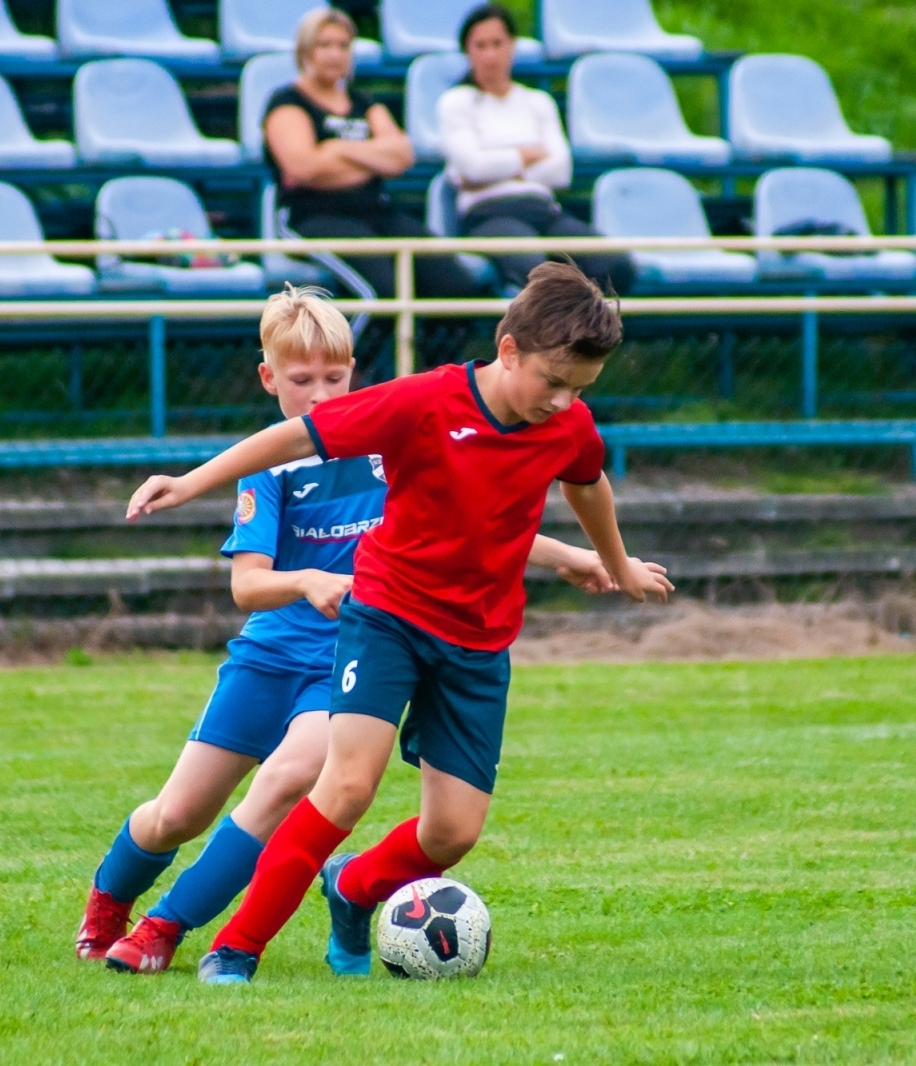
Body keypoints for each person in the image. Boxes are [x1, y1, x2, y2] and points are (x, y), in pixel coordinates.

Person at [76, 284, 662, 975]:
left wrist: (604, 562)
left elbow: (551, 494)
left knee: (448, 831)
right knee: (246, 803)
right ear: (508, 350)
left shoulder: (558, 424)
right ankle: (203, 937)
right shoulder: (414, 407)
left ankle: (349, 888)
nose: (564, 401)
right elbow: (289, 456)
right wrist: (191, 482)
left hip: (462, 641)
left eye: (579, 389)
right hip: (349, 631)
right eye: (554, 382)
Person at [263, 7, 483, 301]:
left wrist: (336, 149)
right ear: (305, 51)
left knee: (455, 286)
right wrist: (372, 161)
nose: (335, 54)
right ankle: (359, 335)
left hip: (376, 211)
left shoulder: (363, 102)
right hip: (313, 216)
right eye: (324, 45)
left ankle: (427, 335)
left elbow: (401, 155)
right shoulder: (287, 102)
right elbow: (304, 167)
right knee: (383, 292)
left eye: (343, 45)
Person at [438, 4, 635, 295]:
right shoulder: (455, 102)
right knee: (536, 270)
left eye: (497, 43)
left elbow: (560, 171)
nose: (490, 54)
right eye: (480, 46)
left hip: (544, 211)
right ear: (468, 51)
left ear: (512, 46)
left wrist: (497, 165)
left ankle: (587, 326)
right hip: (488, 213)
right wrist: (526, 156)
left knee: (615, 264)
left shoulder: (538, 102)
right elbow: (472, 167)